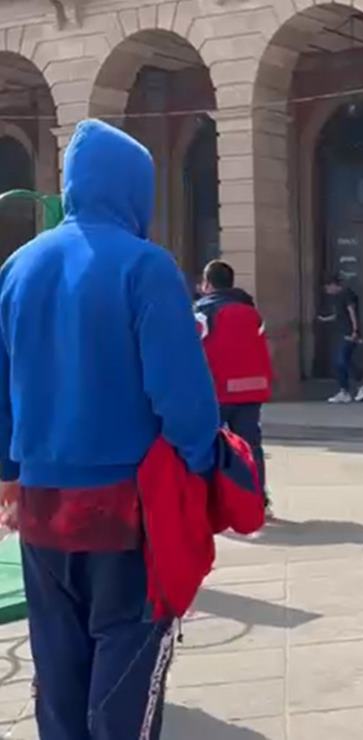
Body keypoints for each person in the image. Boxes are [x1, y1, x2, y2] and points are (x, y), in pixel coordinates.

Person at [0, 119, 221, 739]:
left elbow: (1, 387)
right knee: (126, 669)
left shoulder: (17, 267)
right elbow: (181, 396)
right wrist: (203, 464)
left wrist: (8, 474)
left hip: (42, 503)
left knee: (58, 668)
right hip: (127, 502)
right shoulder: (145, 266)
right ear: (134, 191)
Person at [195, 259, 275, 518]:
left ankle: (210, 501)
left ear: (207, 284)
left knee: (209, 446)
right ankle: (258, 499)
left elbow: (189, 351)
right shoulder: (252, 312)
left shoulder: (203, 314)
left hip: (216, 392)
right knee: (251, 446)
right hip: (251, 390)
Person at [317, 275, 363, 404]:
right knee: (341, 362)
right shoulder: (337, 298)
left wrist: (355, 330)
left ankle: (361, 385)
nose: (327, 292)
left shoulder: (347, 294)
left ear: (333, 285)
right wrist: (325, 319)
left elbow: (351, 312)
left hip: (349, 333)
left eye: (327, 288)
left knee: (342, 360)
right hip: (342, 332)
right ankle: (345, 391)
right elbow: (339, 315)